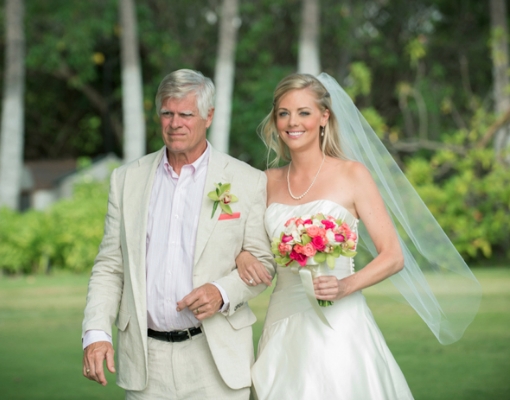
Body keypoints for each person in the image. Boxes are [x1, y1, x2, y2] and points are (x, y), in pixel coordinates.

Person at [235, 73, 481, 400]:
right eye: (284, 113)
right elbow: (241, 241)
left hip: (340, 323)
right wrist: (243, 255)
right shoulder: (265, 181)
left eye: (303, 112)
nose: (292, 122)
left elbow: (393, 255)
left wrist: (344, 286)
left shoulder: (352, 174)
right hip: (282, 320)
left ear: (324, 117)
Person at [81, 69, 275, 400]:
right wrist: (97, 332)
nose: (175, 124)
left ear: (208, 116)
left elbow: (263, 264)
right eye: (167, 113)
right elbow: (110, 265)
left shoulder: (247, 180)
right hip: (146, 359)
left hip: (215, 358)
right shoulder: (127, 179)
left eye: (186, 114)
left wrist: (221, 291)